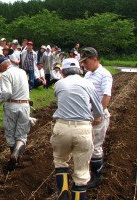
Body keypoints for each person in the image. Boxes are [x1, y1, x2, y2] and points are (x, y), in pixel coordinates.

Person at [51, 58, 103, 199]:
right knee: (81, 172)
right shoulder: (88, 83)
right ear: (79, 70)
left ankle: (63, 195)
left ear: (62, 71)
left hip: (62, 127)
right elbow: (98, 110)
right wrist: (93, 118)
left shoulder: (59, 84)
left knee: (60, 161)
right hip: (83, 128)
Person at [80, 47, 113, 189]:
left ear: (95, 59)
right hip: (89, 114)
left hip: (98, 115)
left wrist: (98, 114)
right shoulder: (88, 75)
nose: (84, 65)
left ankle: (97, 177)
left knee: (96, 146)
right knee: (88, 144)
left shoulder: (104, 75)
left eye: (86, 62)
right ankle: (88, 172)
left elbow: (106, 95)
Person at [0, 58, 31, 171]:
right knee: (22, 134)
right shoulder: (22, 72)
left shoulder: (5, 74)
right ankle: (18, 156)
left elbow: (7, 93)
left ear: (2, 66)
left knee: (10, 133)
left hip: (12, 106)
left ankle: (13, 156)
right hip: (25, 105)